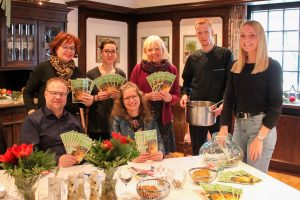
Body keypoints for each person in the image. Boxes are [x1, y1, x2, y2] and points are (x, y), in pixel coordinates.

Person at [218, 20, 283, 173]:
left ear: (260, 38)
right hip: (239, 128)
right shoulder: (236, 66)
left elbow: (275, 106)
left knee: (255, 179)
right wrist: (223, 127)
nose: (246, 40)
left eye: (252, 35)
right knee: (235, 174)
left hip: (260, 128)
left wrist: (260, 139)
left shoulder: (272, 66)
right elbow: (229, 99)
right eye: (242, 36)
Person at [180, 18, 234, 155]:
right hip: (197, 112)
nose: (203, 36)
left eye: (206, 32)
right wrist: (185, 95)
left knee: (222, 150)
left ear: (212, 32)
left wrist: (224, 105)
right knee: (198, 151)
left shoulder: (225, 55)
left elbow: (231, 84)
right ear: (196, 34)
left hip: (219, 110)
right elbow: (186, 84)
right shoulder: (192, 58)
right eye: (200, 33)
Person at [130, 35, 180, 154]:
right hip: (143, 116)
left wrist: (169, 98)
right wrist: (146, 96)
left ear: (163, 50)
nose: (154, 52)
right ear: (145, 52)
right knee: (145, 154)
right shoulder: (138, 69)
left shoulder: (171, 69)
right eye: (150, 49)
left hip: (164, 119)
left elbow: (176, 96)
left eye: (157, 49)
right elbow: (130, 93)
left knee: (164, 154)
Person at [23, 32, 93, 116]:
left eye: (72, 48)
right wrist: (31, 110)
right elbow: (28, 92)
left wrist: (87, 102)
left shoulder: (77, 71)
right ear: (56, 48)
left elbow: (79, 102)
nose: (69, 51)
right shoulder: (43, 68)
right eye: (65, 47)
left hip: (70, 120)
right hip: (46, 119)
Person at [21, 77, 84, 167]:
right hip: (45, 171)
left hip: (74, 170)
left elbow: (84, 150)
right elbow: (29, 155)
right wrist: (57, 160)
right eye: (54, 93)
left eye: (62, 94)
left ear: (67, 96)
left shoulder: (74, 121)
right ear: (45, 94)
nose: (58, 97)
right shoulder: (31, 121)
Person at [111, 82, 165, 162]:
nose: (131, 100)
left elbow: (159, 140)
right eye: (127, 98)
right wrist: (131, 158)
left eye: (134, 96)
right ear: (122, 101)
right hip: (129, 165)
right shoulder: (117, 120)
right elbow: (115, 148)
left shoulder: (150, 117)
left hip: (149, 163)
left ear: (140, 97)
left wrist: (161, 153)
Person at [86, 39, 126, 141]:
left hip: (117, 122)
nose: (110, 54)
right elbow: (84, 101)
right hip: (97, 124)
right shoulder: (90, 74)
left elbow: (126, 98)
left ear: (116, 54)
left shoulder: (121, 74)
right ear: (100, 53)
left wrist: (120, 96)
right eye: (106, 51)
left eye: (113, 51)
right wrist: (96, 98)